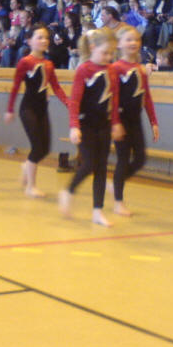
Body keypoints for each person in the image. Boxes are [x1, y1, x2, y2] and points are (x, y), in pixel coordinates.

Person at [59, 27, 124, 226]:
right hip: (85, 124)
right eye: (105, 53)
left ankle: (98, 211)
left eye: (112, 53)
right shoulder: (84, 70)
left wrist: (115, 123)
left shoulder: (111, 70)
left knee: (102, 167)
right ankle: (69, 191)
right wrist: (74, 126)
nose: (109, 57)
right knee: (89, 164)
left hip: (104, 124)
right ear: (93, 47)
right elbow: (75, 101)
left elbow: (114, 100)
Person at [5, 25, 69, 198]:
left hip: (42, 109)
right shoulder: (25, 62)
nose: (44, 40)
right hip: (28, 108)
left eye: (46, 37)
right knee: (37, 147)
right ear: (29, 41)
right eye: (39, 37)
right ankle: (30, 186)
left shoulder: (48, 64)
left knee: (45, 149)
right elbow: (15, 87)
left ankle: (27, 166)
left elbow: (56, 87)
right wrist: (9, 109)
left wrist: (68, 103)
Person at [109, 25, 159, 217]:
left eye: (136, 39)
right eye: (128, 39)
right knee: (123, 158)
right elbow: (113, 98)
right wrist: (115, 122)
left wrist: (153, 122)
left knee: (140, 159)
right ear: (119, 44)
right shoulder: (116, 68)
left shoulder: (140, 69)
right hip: (120, 120)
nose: (133, 43)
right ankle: (118, 202)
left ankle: (116, 183)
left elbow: (147, 97)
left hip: (135, 120)